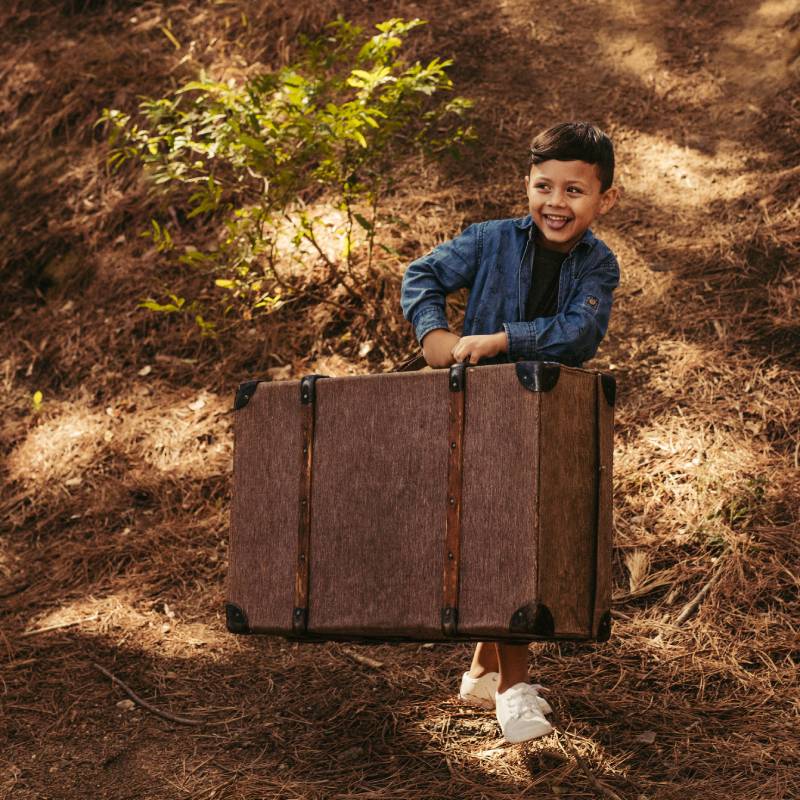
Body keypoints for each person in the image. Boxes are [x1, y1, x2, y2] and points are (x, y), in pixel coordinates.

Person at [399, 121, 620, 743]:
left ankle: (479, 673)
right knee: (503, 535)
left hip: (551, 418)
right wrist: (434, 335)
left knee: (534, 536)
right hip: (483, 411)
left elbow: (579, 332)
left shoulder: (599, 265)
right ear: (526, 184)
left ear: (605, 199)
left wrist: (502, 338)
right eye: (544, 186)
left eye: (575, 191)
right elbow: (421, 275)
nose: (556, 202)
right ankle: (514, 689)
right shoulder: (491, 239)